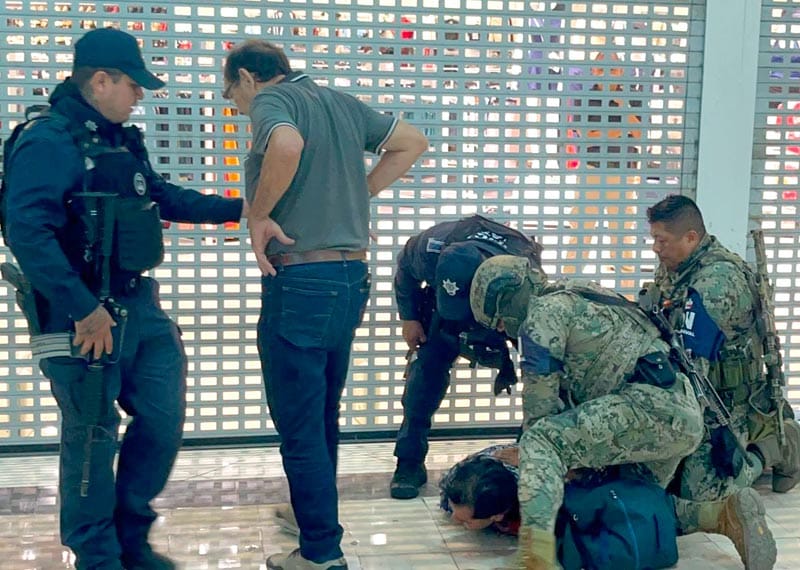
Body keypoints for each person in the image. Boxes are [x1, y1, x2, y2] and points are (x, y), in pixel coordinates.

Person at [1, 28, 246, 570]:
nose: (139, 96)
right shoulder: (48, 140)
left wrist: (241, 209)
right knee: (92, 435)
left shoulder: (118, 142)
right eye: (133, 86)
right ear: (100, 81)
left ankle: (131, 540)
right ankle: (97, 556)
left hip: (138, 306)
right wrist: (84, 308)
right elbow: (27, 232)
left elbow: (160, 197)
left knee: (162, 418)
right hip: (78, 315)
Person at [222, 39, 428, 570]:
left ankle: (319, 553)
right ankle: (311, 516)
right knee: (319, 413)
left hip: (301, 281)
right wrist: (360, 193)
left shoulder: (274, 101)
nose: (236, 107)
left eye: (231, 95)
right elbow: (411, 142)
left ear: (246, 78)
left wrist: (259, 214)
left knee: (299, 424)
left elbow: (286, 145)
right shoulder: (340, 102)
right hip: (349, 276)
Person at [468, 255, 777, 570]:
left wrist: (528, 458)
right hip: (679, 410)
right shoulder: (581, 291)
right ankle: (724, 515)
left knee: (540, 440)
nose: (504, 330)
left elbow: (540, 414)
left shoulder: (540, 316)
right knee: (629, 501)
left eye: (500, 322)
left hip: (647, 407)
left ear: (509, 301)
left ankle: (534, 560)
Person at [646, 195, 800, 501]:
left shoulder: (717, 283)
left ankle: (779, 445)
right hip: (695, 383)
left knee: (702, 495)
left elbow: (692, 363)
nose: (656, 248)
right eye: (654, 239)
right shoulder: (676, 266)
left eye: (662, 240)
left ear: (691, 238)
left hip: (725, 403)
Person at [390, 215, 543, 499]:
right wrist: (409, 318)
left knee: (541, 378)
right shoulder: (430, 248)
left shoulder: (520, 272)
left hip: (502, 307)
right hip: (441, 312)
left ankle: (530, 458)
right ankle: (409, 462)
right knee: (423, 381)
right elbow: (405, 270)